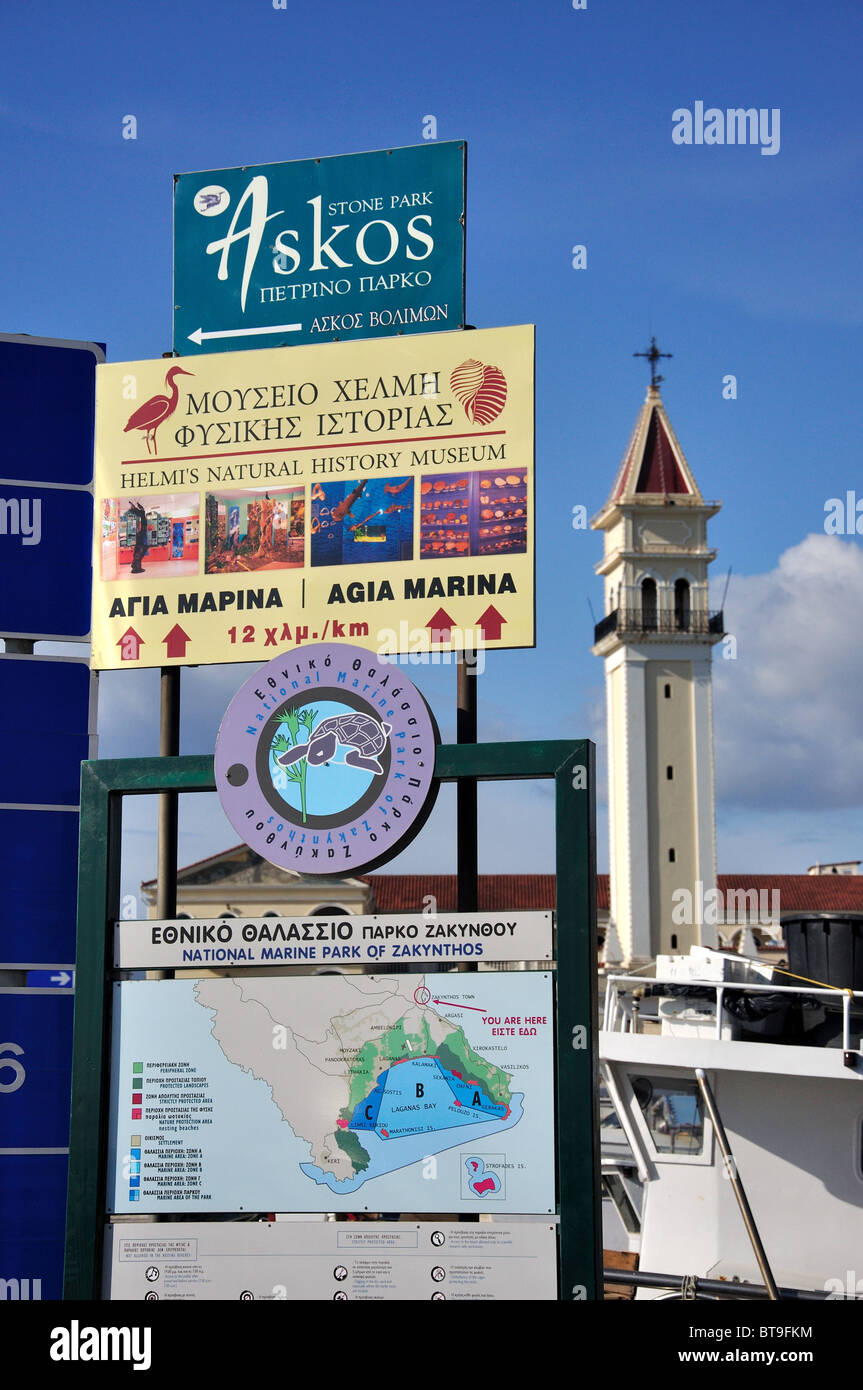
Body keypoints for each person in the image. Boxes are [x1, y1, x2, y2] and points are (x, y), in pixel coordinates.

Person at [128, 500, 148, 574]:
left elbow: (139, 552)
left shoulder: (137, 556)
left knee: (143, 517)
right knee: (143, 515)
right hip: (139, 542)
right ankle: (133, 509)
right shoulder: (137, 557)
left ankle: (133, 509)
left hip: (140, 542)